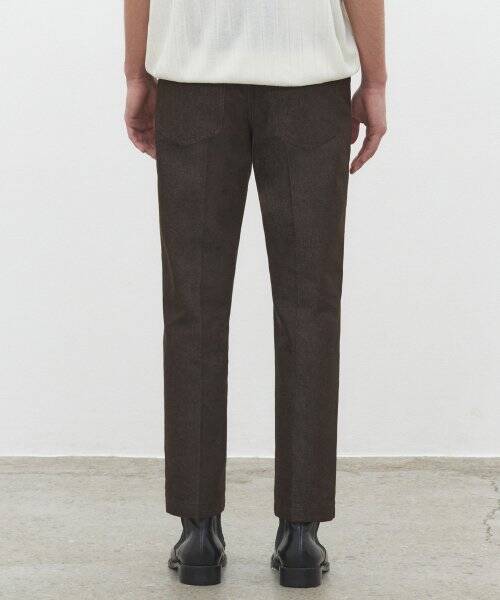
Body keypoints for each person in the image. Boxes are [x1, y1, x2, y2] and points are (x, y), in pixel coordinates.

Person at [124, 0, 386, 588]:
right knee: (310, 309)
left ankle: (197, 533)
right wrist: (375, 79)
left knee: (192, 308)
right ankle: (300, 537)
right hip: (308, 83)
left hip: (192, 77)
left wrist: (136, 73)